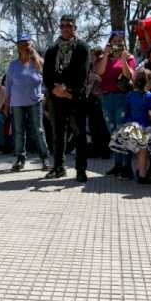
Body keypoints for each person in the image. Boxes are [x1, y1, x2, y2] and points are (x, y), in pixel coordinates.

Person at [43, 15, 90, 182]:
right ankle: (58, 167)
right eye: (62, 25)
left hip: (76, 97)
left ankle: (81, 169)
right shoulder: (52, 49)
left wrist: (66, 89)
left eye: (69, 25)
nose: (65, 28)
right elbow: (47, 74)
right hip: (56, 98)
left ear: (75, 28)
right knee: (58, 134)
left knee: (79, 134)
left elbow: (82, 74)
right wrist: (55, 89)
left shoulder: (82, 48)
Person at [108, 68, 151, 184]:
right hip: (144, 127)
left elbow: (126, 111)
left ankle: (135, 171)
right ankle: (142, 175)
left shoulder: (129, 95)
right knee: (143, 152)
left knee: (137, 152)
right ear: (149, 82)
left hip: (130, 127)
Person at [6, 33, 49, 172]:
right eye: (22, 44)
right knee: (18, 132)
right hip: (17, 103)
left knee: (39, 130)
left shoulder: (38, 62)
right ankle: (20, 158)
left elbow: (47, 81)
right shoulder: (13, 65)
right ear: (18, 47)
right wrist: (7, 103)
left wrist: (44, 94)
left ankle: (44, 157)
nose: (25, 46)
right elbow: (8, 85)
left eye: (27, 43)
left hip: (35, 102)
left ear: (31, 45)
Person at [98, 31, 136, 176]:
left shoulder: (129, 57)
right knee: (113, 132)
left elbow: (129, 76)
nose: (117, 44)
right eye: (115, 41)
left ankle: (126, 166)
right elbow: (100, 72)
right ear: (109, 43)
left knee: (122, 131)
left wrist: (124, 60)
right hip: (107, 98)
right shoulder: (104, 57)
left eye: (120, 41)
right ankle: (117, 164)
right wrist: (106, 55)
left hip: (122, 97)